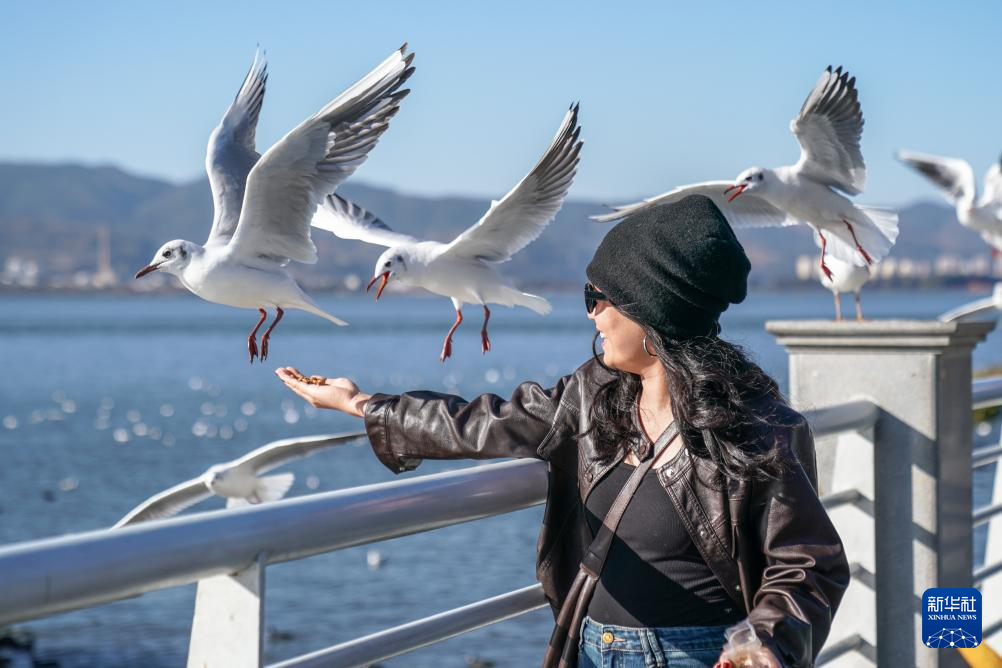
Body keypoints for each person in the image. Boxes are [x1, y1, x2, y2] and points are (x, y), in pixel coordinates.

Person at [276, 195, 850, 668]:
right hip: (592, 648)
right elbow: (482, 423)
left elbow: (807, 563)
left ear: (652, 311)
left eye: (598, 298)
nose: (590, 313)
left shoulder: (756, 427)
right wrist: (362, 404)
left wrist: (762, 644)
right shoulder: (591, 395)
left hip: (703, 657)